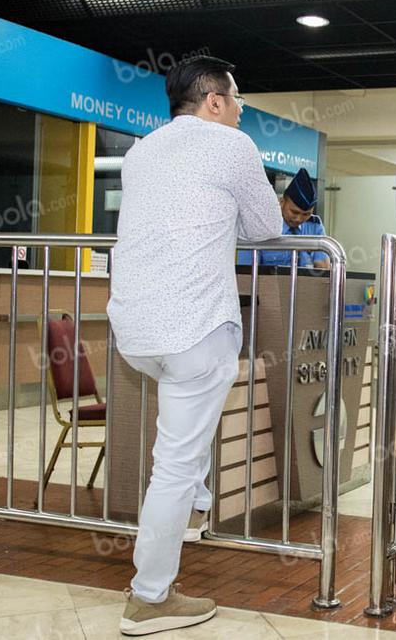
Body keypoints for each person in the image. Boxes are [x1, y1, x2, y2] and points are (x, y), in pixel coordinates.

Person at [106, 56, 282, 636]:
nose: (239, 110)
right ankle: (149, 597)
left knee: (185, 437)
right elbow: (263, 229)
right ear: (213, 102)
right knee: (175, 464)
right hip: (194, 331)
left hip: (135, 332)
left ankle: (195, 509)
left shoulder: (141, 150)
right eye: (236, 100)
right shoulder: (231, 147)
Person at [235, 167, 330, 269]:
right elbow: (246, 272)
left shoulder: (314, 228)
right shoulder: (261, 225)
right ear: (282, 202)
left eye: (306, 214)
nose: (299, 219)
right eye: (294, 212)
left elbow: (323, 269)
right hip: (267, 284)